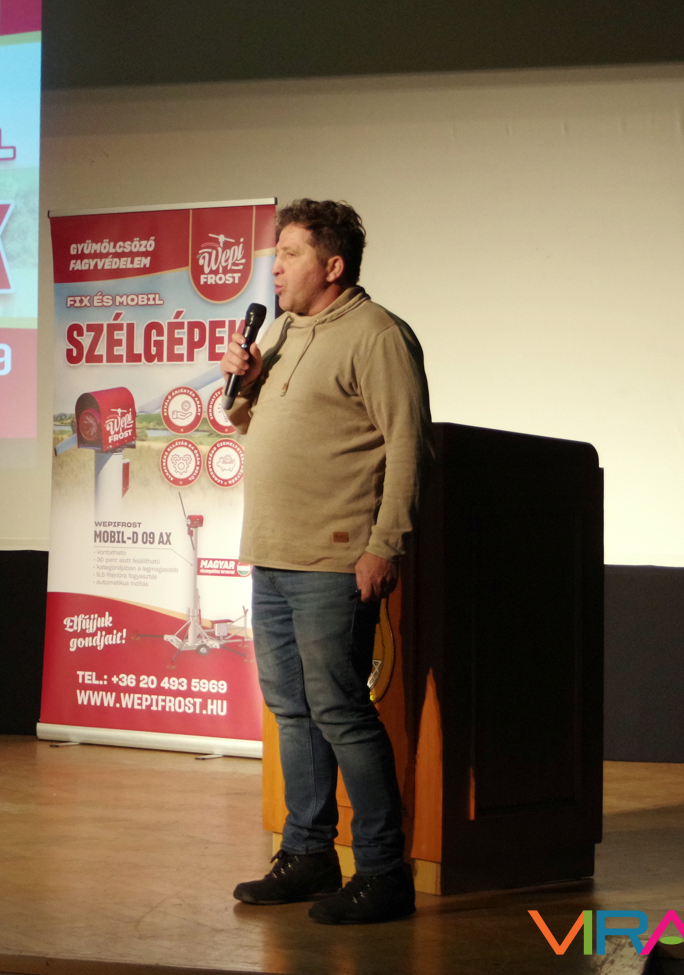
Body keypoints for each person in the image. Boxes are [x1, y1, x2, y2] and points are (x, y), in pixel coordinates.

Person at [220, 199, 431, 925]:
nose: (274, 268)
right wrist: (246, 383)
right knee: (292, 710)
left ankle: (383, 871)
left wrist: (384, 544)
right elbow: (248, 424)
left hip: (334, 559)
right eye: (276, 254)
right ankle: (308, 853)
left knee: (340, 710)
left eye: (290, 254)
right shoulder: (281, 332)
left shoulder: (377, 336)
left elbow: (408, 446)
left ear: (332, 265)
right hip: (273, 553)